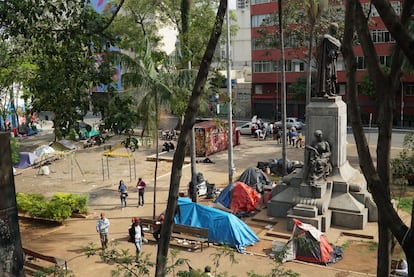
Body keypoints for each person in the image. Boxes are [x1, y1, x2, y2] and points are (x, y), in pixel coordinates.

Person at [316, 22, 341, 97]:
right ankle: (324, 91)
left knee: (330, 76)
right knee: (326, 75)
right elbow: (337, 44)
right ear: (333, 29)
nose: (337, 31)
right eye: (336, 29)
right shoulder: (326, 37)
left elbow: (338, 46)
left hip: (331, 60)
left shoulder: (333, 39)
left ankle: (329, 90)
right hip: (325, 61)